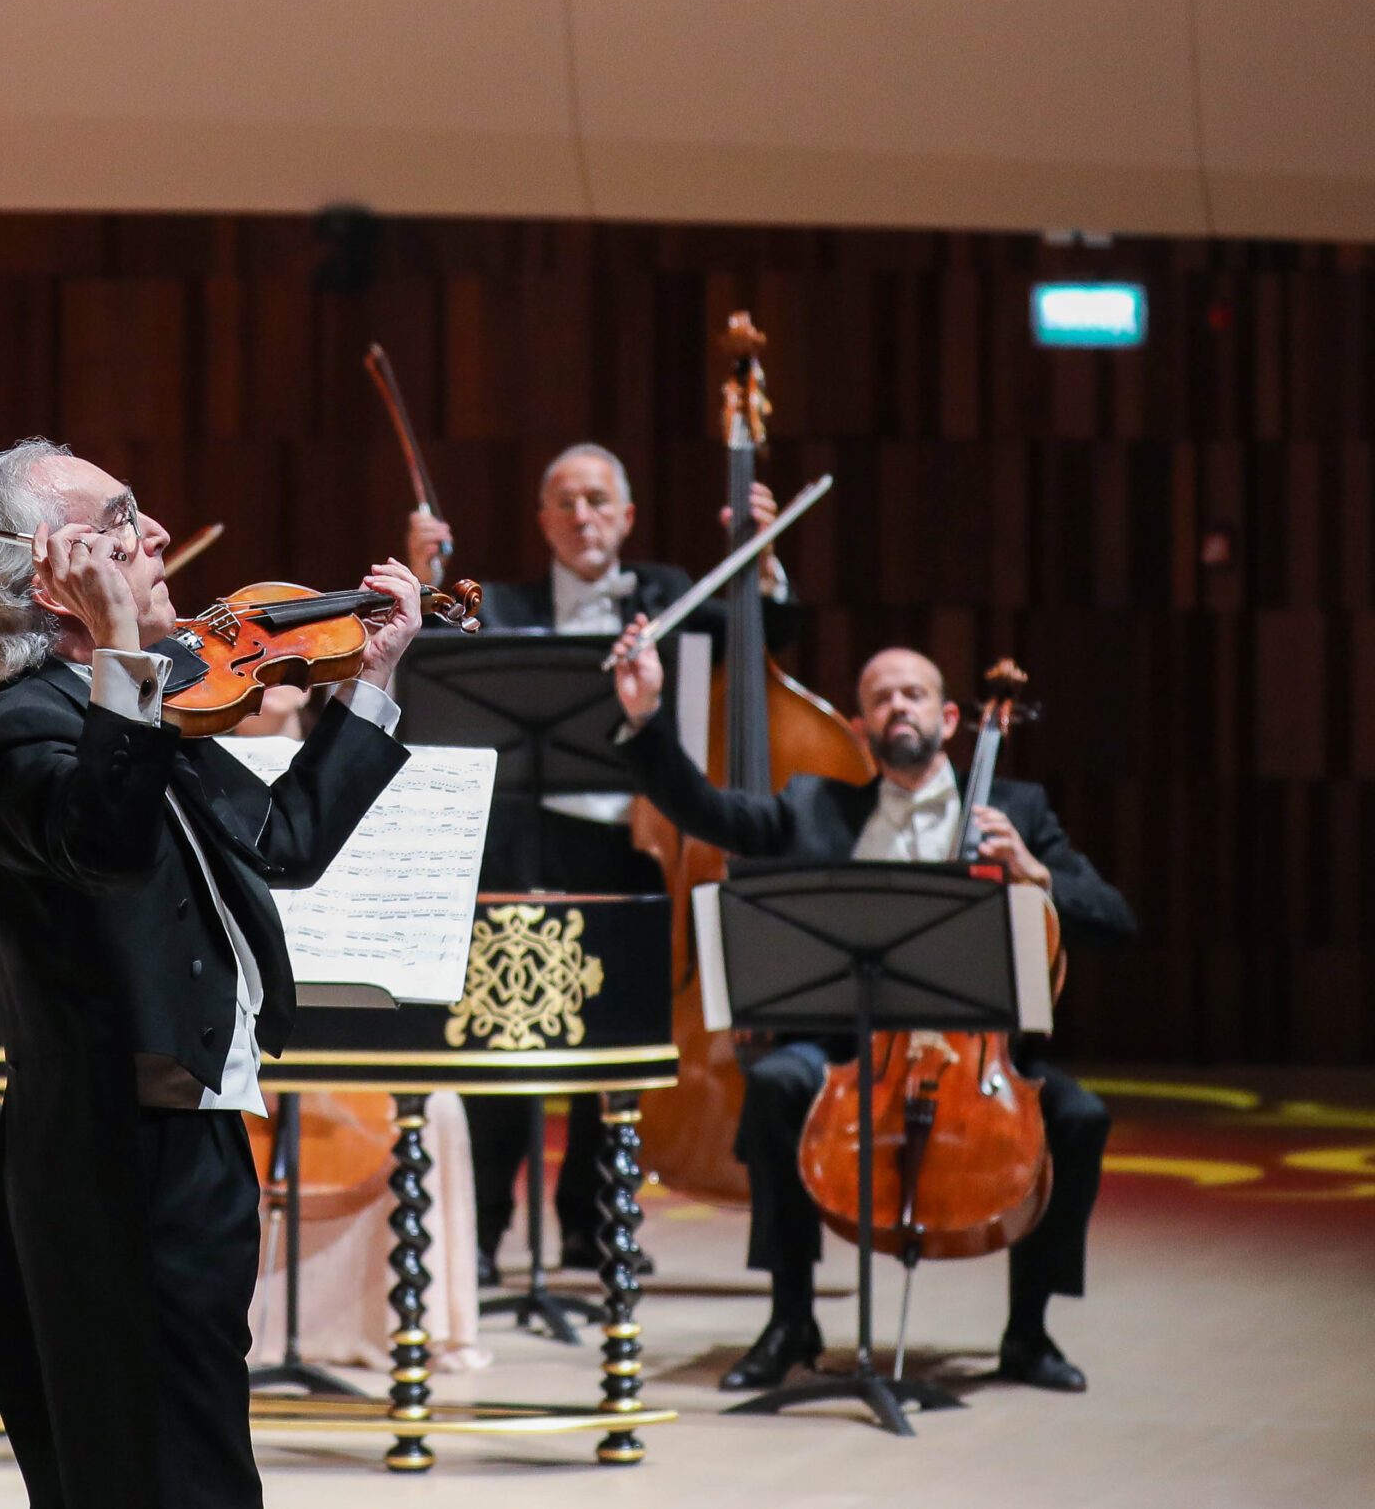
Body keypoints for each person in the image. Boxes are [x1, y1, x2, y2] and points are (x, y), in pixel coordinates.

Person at [0, 437, 418, 1509]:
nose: (155, 537)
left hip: (186, 1145)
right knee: (160, 1469)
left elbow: (284, 841)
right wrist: (119, 648)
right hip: (116, 1160)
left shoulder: (148, 710)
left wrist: (371, 685)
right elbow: (104, 842)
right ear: (46, 580)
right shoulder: (24, 737)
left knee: (184, 1444)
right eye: (118, 523)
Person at [609, 634, 1135, 1393]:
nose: (897, 708)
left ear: (950, 717)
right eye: (880, 698)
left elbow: (1116, 921)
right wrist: (647, 717)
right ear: (858, 729)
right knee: (779, 1085)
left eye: (913, 694)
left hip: (984, 1056)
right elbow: (708, 811)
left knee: (1080, 1119)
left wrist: (1040, 873)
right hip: (852, 1048)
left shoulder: (1015, 811)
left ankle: (1029, 1332)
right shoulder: (817, 805)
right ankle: (792, 1318)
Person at [408, 440, 799, 1281]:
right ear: (543, 521)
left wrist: (759, 569)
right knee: (501, 1042)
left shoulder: (671, 596)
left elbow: (761, 645)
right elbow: (430, 662)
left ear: (626, 517)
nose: (583, 516)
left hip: (632, 841)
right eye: (566, 503)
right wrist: (421, 571)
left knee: (608, 1043)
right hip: (520, 843)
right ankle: (479, 1234)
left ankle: (590, 1224)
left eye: (598, 501)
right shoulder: (504, 605)